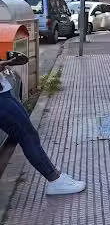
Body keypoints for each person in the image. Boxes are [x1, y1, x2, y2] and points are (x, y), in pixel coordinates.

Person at [0, 58, 85, 195]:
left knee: (28, 134)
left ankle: (55, 175)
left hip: (3, 93)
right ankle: (55, 180)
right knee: (27, 136)